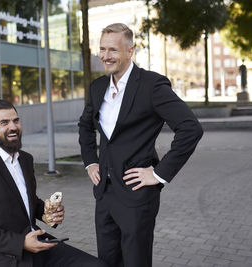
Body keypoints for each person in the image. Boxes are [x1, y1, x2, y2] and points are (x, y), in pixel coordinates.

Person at [78, 23, 203, 267]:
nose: (106, 56)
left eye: (113, 50)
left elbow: (190, 128)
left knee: (136, 261)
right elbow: (85, 126)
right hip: (104, 194)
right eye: (102, 49)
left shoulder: (152, 85)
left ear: (130, 51)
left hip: (136, 195)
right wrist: (90, 161)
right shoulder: (97, 87)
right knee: (106, 261)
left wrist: (158, 174)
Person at [0, 99, 107, 267]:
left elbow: (25, 201)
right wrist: (21, 242)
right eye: (4, 122)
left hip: (38, 243)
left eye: (16, 120)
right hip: (6, 256)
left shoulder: (25, 159)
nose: (13, 127)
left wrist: (47, 212)